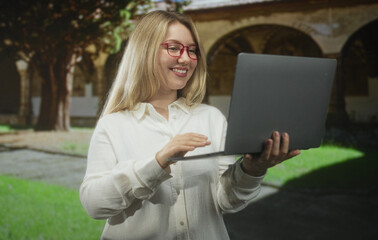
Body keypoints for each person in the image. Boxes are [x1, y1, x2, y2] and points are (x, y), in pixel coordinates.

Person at [80, 10, 300, 240]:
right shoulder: (113, 125)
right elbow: (94, 205)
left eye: (192, 50)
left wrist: (252, 170)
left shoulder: (211, 118)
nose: (185, 59)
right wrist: (157, 163)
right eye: (173, 48)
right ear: (145, 52)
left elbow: (226, 201)